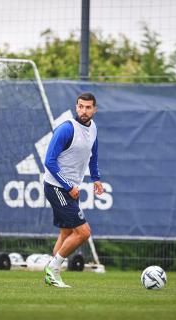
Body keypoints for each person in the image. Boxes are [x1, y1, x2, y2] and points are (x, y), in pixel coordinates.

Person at [43, 92, 104, 288]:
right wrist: (69, 186)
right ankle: (52, 269)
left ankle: (52, 275)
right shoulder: (66, 129)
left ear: (94, 109)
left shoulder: (93, 128)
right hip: (57, 186)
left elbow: (93, 155)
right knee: (84, 232)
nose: (83, 111)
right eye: (80, 106)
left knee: (66, 233)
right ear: (76, 107)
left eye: (88, 107)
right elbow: (49, 162)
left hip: (70, 188)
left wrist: (96, 179)